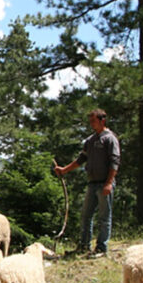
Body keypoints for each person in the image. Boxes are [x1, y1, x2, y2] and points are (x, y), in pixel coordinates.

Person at [54, 108, 120, 257]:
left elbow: (115, 162)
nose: (91, 124)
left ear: (102, 121)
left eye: (93, 121)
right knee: (85, 216)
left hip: (104, 183)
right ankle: (84, 246)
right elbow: (81, 159)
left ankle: (101, 249)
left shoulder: (110, 139)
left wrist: (109, 183)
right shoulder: (90, 140)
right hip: (92, 183)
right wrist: (64, 170)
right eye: (90, 121)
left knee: (104, 217)